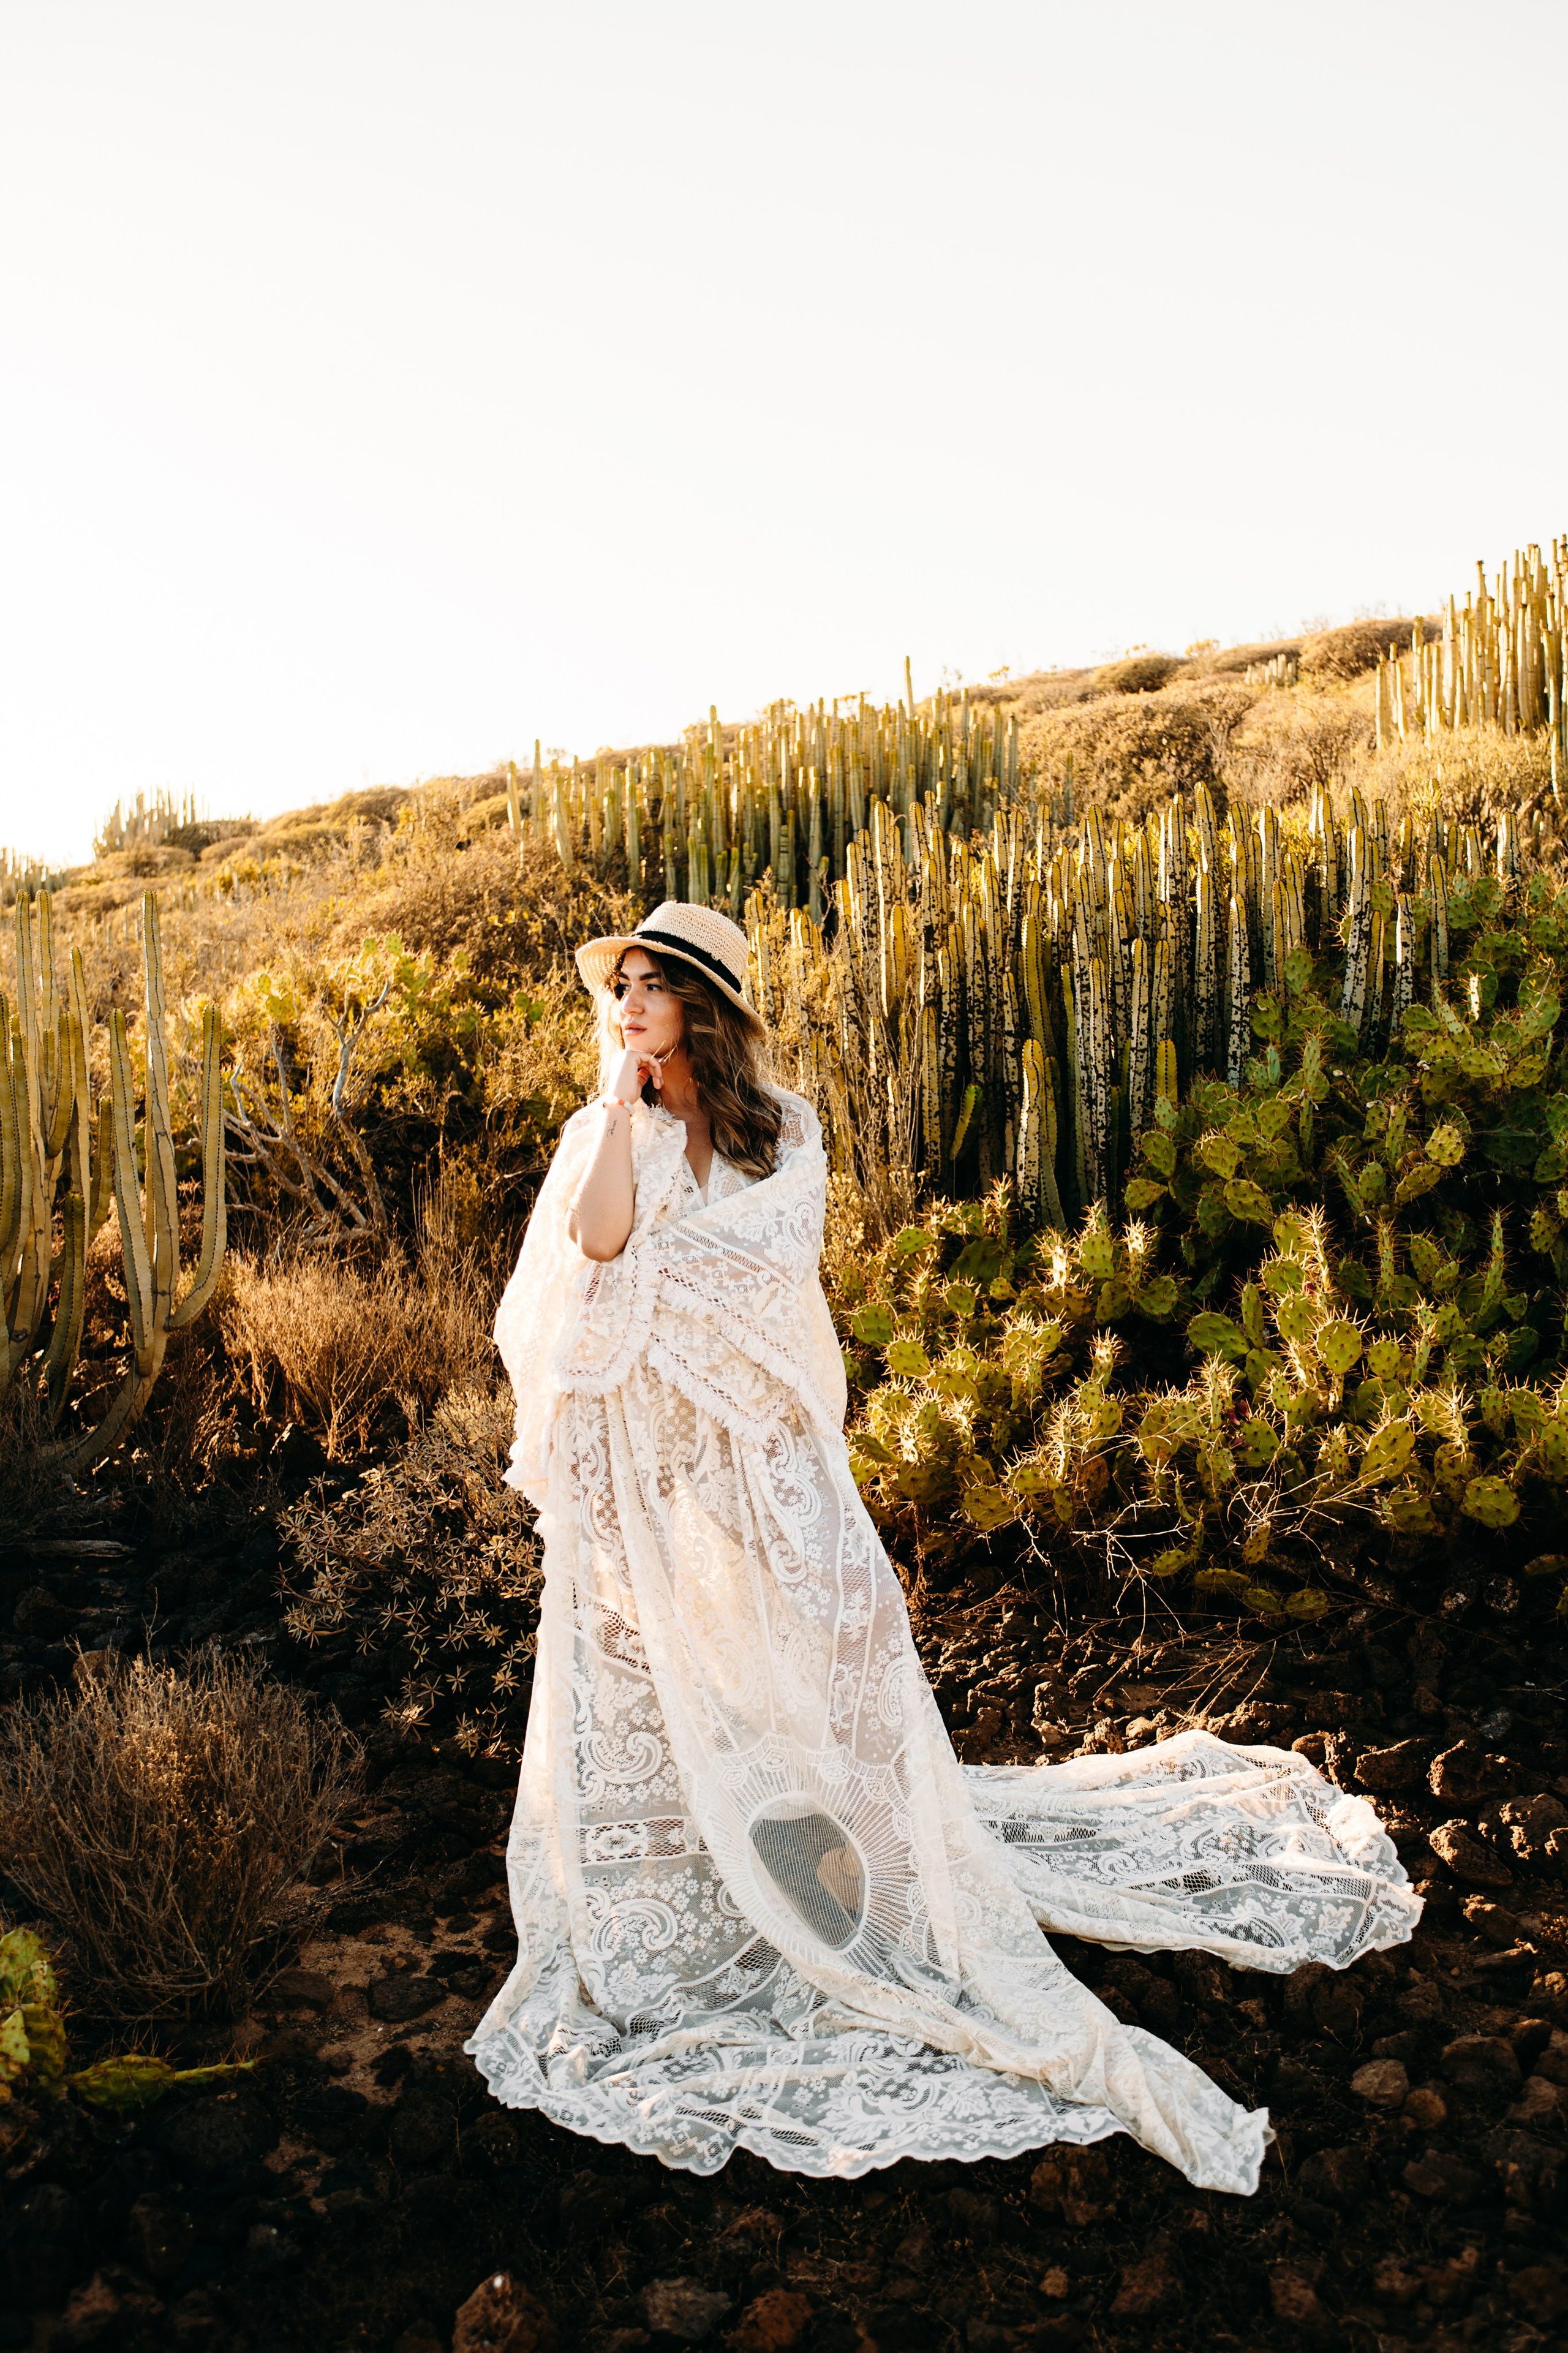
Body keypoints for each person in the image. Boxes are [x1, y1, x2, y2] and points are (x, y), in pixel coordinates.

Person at [467, 901, 1419, 2186]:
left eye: (652, 985)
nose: (627, 1003)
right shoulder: (609, 1129)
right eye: (619, 985)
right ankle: (716, 1847)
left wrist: (663, 1293)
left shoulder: (782, 1130)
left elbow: (759, 1280)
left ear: (704, 1005)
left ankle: (856, 1844)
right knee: (679, 1658)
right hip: (657, 1452)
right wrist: (611, 1113)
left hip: (765, 1440)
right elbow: (592, 1252)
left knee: (835, 1628)